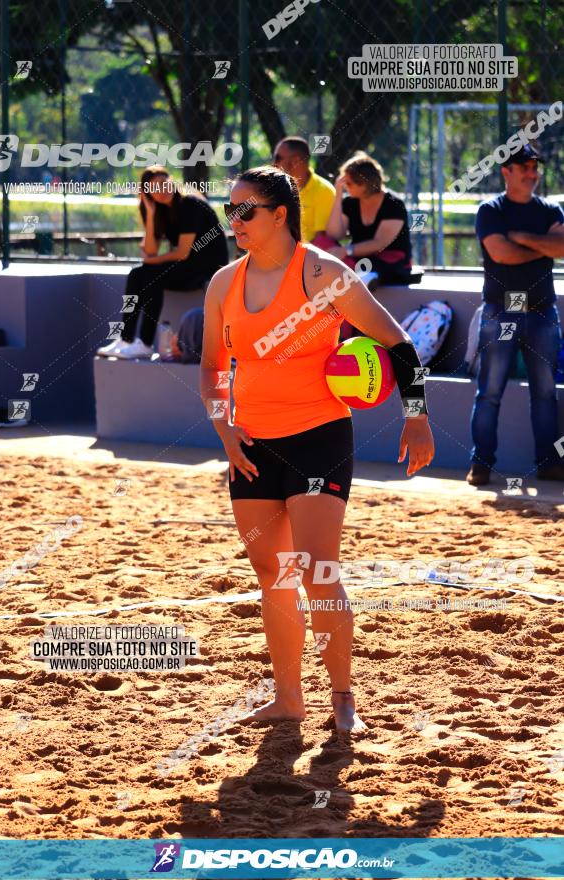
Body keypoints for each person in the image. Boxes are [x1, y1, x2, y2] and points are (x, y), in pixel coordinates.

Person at [200, 166, 434, 733]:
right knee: (273, 578)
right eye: (229, 211)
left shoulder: (324, 274)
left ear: (280, 215)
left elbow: (398, 343)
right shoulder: (223, 282)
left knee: (317, 571)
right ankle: (287, 699)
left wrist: (417, 416)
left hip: (317, 437)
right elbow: (211, 369)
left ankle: (342, 696)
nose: (235, 222)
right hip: (251, 444)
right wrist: (223, 426)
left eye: (244, 211)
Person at [468, 143, 564, 486]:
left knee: (545, 392)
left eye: (534, 166)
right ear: (505, 171)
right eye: (523, 166)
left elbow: (561, 247)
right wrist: (542, 247)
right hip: (501, 312)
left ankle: (549, 463)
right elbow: (501, 253)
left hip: (541, 312)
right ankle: (481, 465)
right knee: (489, 392)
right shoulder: (490, 209)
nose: (531, 172)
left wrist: (522, 238)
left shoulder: (550, 209)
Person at [97, 166, 228, 359]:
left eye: (163, 183)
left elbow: (182, 253)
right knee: (136, 274)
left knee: (151, 273)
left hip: (208, 268)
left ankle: (145, 343)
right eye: (154, 189)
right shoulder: (161, 211)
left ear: (172, 181)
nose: (161, 190)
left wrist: (150, 261)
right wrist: (150, 214)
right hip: (185, 268)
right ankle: (125, 338)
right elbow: (150, 249)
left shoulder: (189, 204)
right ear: (148, 194)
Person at [325, 153, 413, 286]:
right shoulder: (350, 202)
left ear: (364, 184)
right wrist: (338, 197)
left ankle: (368, 279)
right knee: (322, 243)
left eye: (349, 183)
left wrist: (345, 250)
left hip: (389, 261)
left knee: (370, 265)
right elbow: (334, 234)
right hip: (360, 258)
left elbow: (379, 243)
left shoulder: (393, 204)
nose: (345, 187)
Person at [272, 137, 335, 243]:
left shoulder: (324, 191)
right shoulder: (275, 188)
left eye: (278, 158)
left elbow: (321, 241)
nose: (274, 163)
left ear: (296, 160)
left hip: (307, 257)